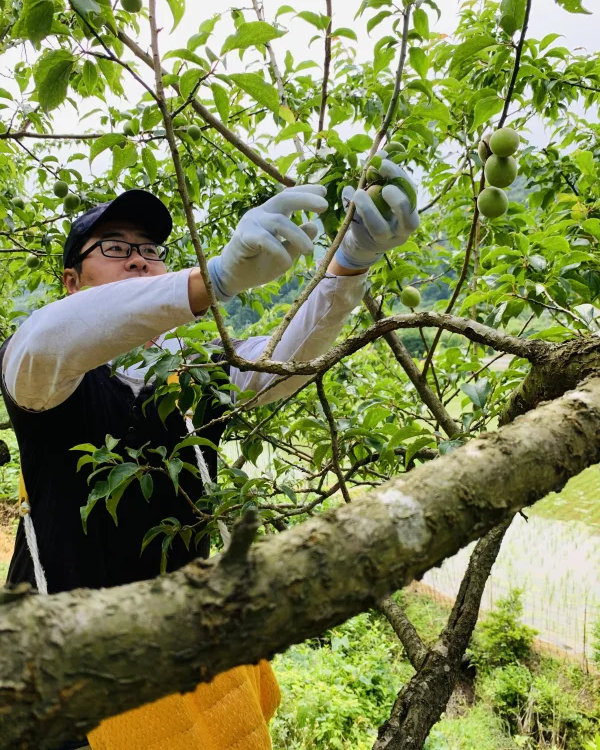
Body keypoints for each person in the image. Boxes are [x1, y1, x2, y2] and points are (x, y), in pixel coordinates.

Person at [0, 160, 419, 750]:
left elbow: (278, 363)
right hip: (76, 669)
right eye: (114, 247)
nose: (141, 257)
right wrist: (211, 280)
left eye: (152, 249)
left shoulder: (187, 374)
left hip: (188, 644)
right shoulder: (46, 373)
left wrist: (348, 266)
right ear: (72, 281)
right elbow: (45, 339)